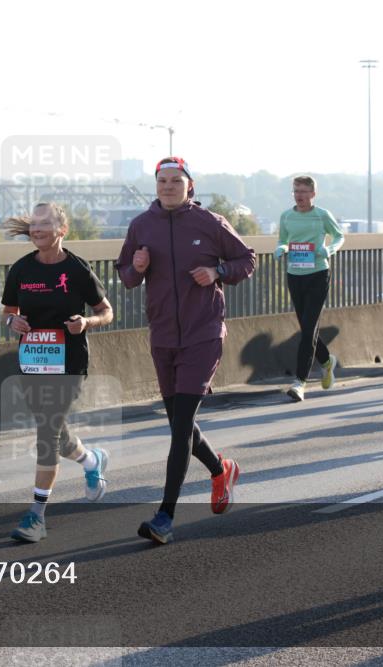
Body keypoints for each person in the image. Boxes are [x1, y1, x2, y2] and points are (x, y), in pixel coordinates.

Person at [116, 157, 255, 545]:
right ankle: (220, 469)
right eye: (162, 181)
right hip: (162, 336)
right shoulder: (141, 225)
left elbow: (247, 259)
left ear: (189, 186)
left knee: (179, 429)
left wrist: (218, 273)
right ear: (155, 185)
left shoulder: (210, 223)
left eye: (176, 180)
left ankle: (165, 516)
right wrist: (137, 267)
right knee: (180, 422)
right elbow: (125, 276)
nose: (168, 186)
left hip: (203, 333)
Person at [1, 203, 114, 542]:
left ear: (61, 230)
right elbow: (8, 311)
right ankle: (92, 460)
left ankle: (36, 515)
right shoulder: (21, 269)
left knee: (46, 434)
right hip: (33, 360)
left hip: (69, 361)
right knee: (54, 433)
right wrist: (12, 322)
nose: (37, 230)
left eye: (45, 224)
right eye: (34, 224)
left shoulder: (77, 269)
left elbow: (106, 311)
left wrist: (86, 323)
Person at [274, 176, 345, 401]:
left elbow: (339, 236)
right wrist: (281, 248)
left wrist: (329, 249)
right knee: (307, 327)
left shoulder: (322, 215)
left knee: (308, 329)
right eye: (296, 191)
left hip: (318, 274)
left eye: (304, 192)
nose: (300, 196)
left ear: (313, 194)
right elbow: (283, 239)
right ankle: (326, 361)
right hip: (294, 274)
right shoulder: (286, 216)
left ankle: (300, 382)